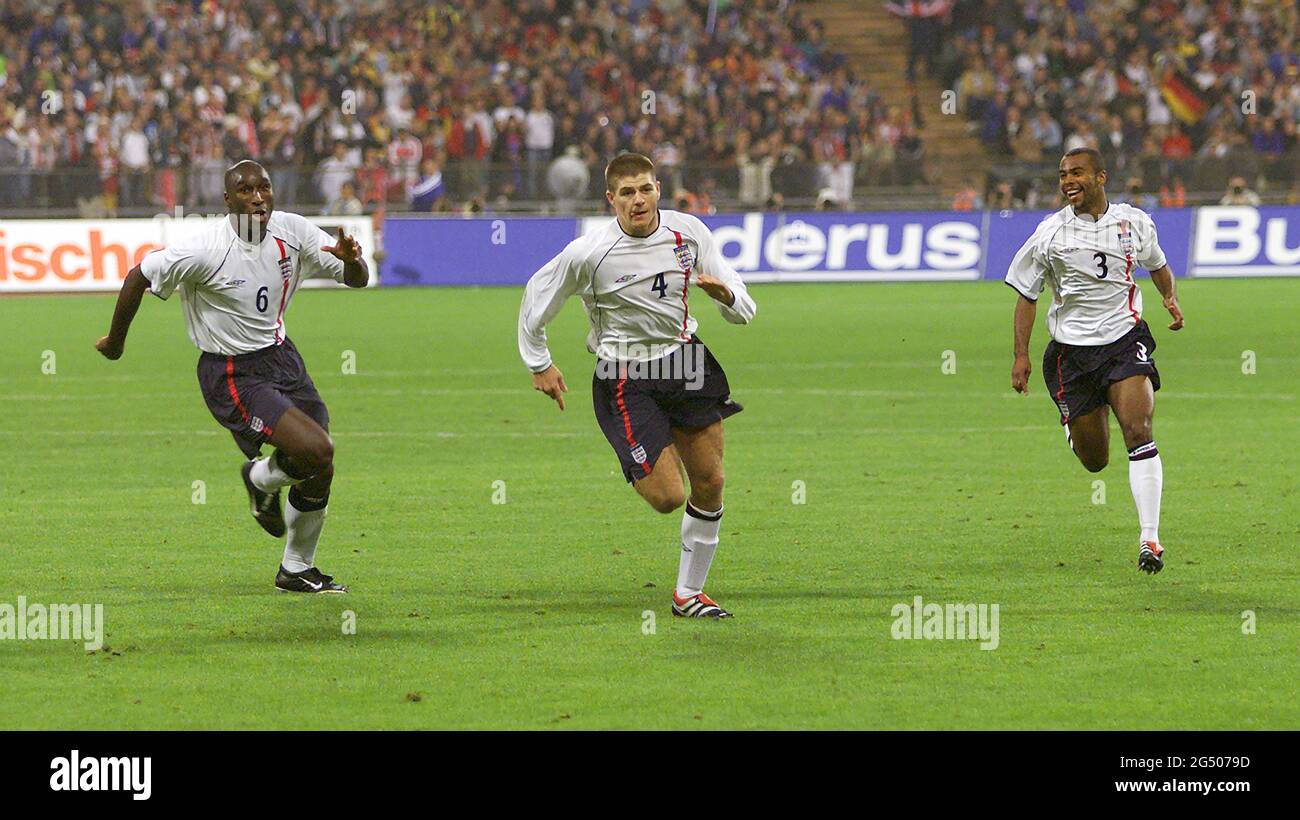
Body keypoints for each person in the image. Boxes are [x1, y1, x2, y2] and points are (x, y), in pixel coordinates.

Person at [94, 160, 370, 593]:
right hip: (232, 371)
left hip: (283, 358)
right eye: (245, 190)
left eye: (264, 187)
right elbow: (138, 276)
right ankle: (259, 479)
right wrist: (115, 342)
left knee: (319, 465)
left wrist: (352, 262)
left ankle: (296, 568)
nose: (258, 197)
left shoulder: (292, 231)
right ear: (227, 200)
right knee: (318, 449)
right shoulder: (205, 250)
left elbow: (358, 280)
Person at [518, 153, 757, 618]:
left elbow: (741, 301)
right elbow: (536, 298)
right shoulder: (588, 253)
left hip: (686, 361)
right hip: (625, 375)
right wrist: (539, 363)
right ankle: (642, 446)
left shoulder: (689, 233)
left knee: (711, 481)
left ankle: (689, 596)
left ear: (658, 190)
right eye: (626, 192)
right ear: (611, 200)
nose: (638, 200)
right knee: (668, 497)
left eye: (645, 189)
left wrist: (727, 297)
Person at [1006, 148, 1184, 574]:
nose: (1068, 180)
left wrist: (1169, 297)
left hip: (1125, 340)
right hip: (1072, 353)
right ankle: (1080, 420)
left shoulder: (1133, 222)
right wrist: (1020, 356)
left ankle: (1150, 540)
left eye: (1077, 173)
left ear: (1101, 177)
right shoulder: (1049, 234)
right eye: (1063, 174)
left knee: (1139, 430)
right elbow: (1027, 296)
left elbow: (1157, 264)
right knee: (1095, 460)